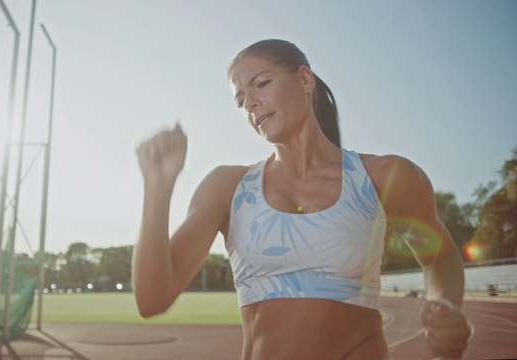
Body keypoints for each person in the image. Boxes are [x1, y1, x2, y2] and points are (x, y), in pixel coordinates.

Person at [132, 39, 470, 359]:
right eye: (240, 100)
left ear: (305, 80)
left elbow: (439, 259)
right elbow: (152, 300)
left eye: (261, 83)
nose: (249, 103)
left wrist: (447, 306)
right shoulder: (228, 187)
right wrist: (157, 188)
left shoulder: (385, 177)